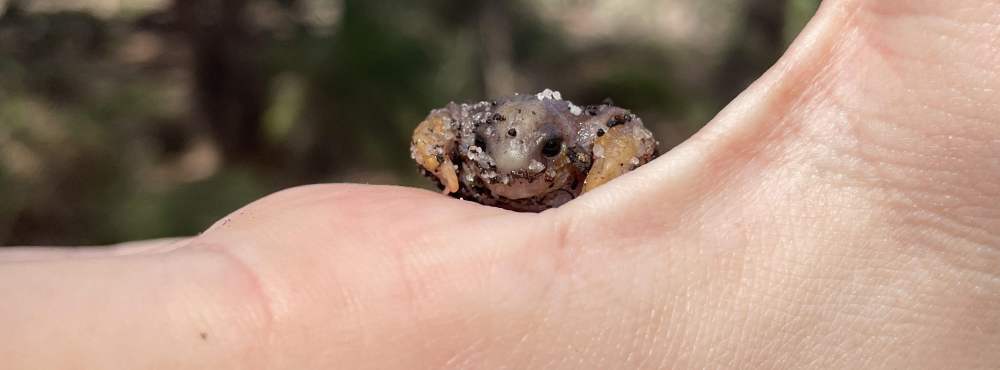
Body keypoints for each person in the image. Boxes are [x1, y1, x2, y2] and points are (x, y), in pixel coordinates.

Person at [2, 0, 998, 368]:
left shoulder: (588, 134)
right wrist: (462, 169)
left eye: (543, 163)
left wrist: (595, 184)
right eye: (493, 162)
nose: (520, 177)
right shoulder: (468, 136)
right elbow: (436, 131)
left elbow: (621, 133)